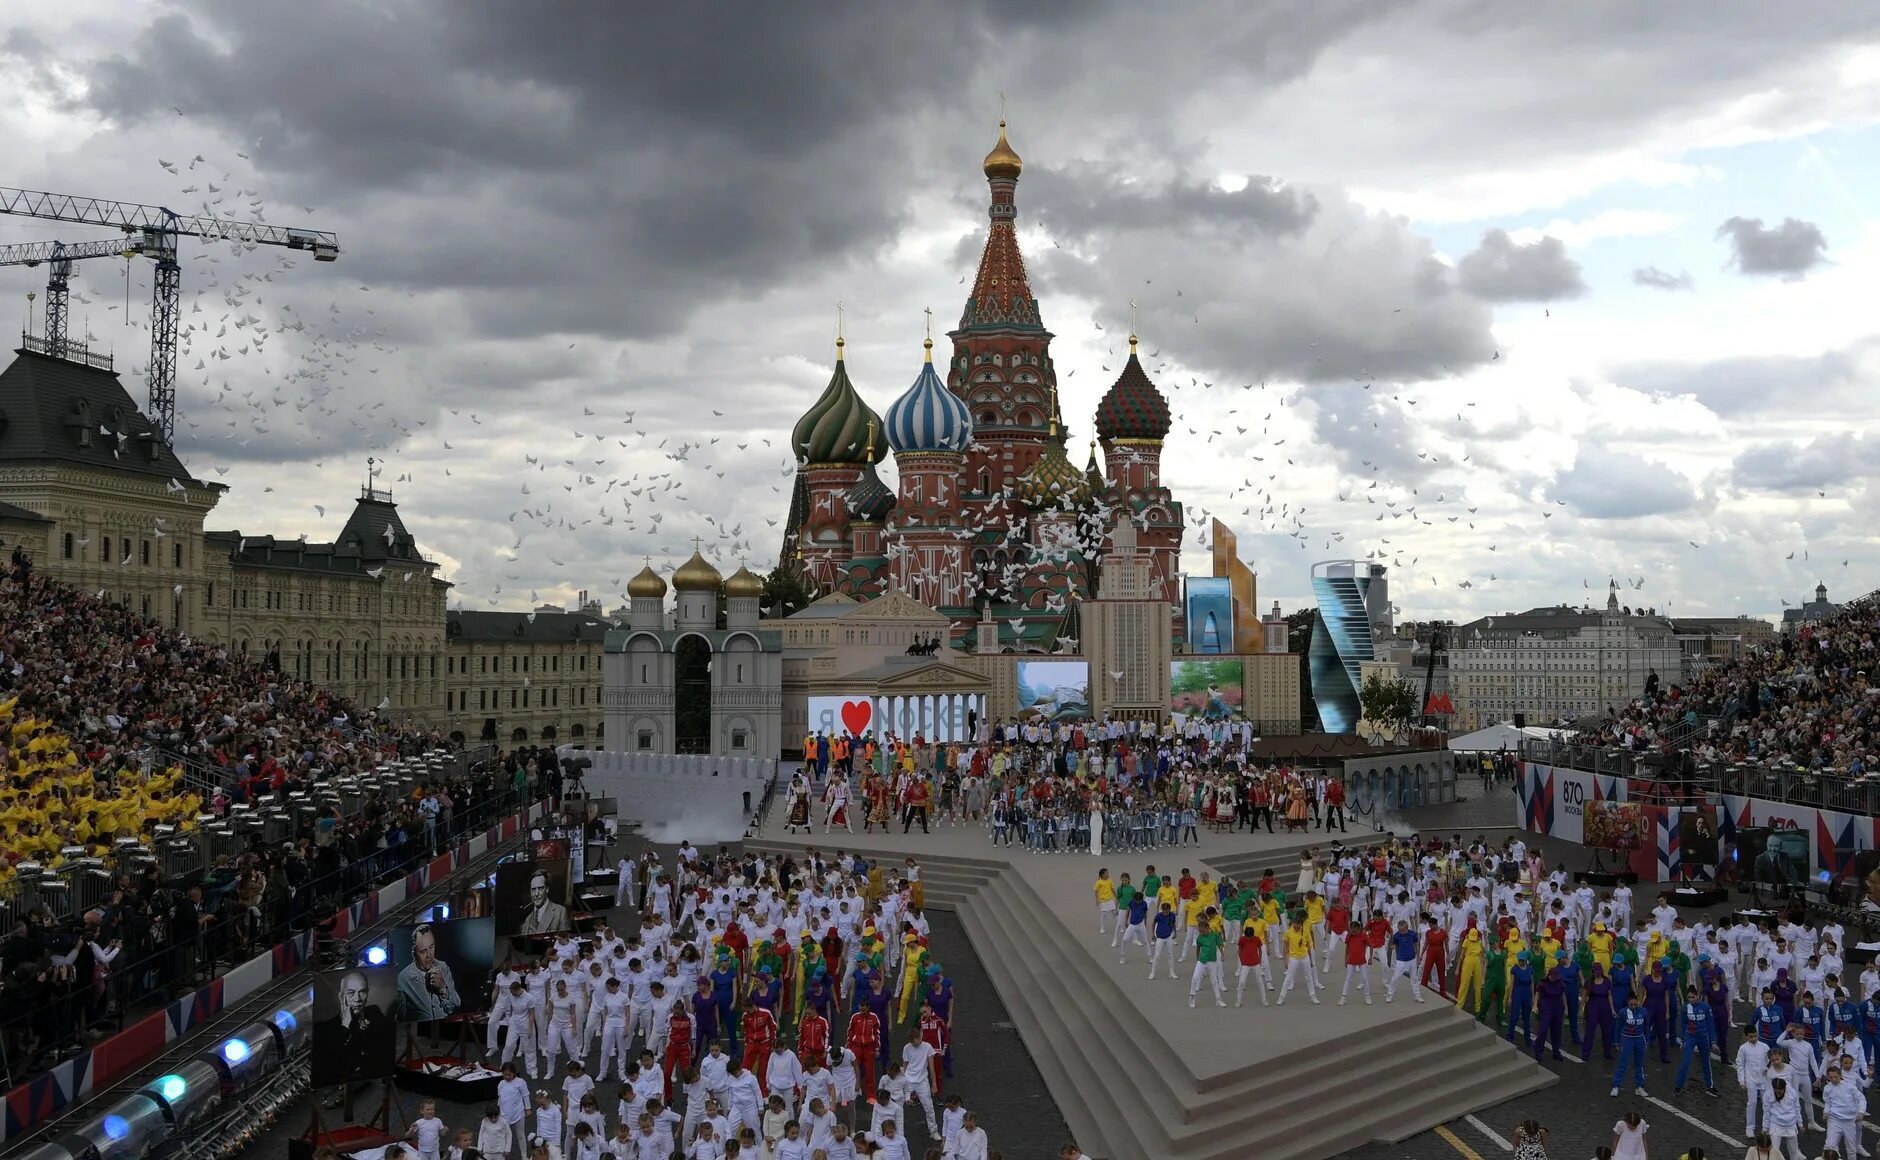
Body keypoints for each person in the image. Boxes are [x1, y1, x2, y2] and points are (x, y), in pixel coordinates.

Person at [317, 970, 394, 1085]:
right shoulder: (325, 1028)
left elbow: (388, 1039)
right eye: (351, 993)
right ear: (341, 997)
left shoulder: (374, 1012)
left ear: (367, 993)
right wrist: (345, 1026)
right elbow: (332, 1063)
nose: (357, 999)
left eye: (362, 992)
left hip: (374, 1077)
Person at [397, 923, 462, 1022]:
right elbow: (400, 1019)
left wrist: (442, 989)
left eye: (431, 947)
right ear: (414, 953)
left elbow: (455, 1006)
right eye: (423, 951)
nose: (429, 955)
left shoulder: (443, 967)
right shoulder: (403, 978)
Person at [520, 870, 571, 936]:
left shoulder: (560, 912)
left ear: (547, 889)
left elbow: (564, 938)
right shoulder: (527, 921)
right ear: (530, 891)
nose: (536, 894)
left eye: (540, 888)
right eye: (533, 889)